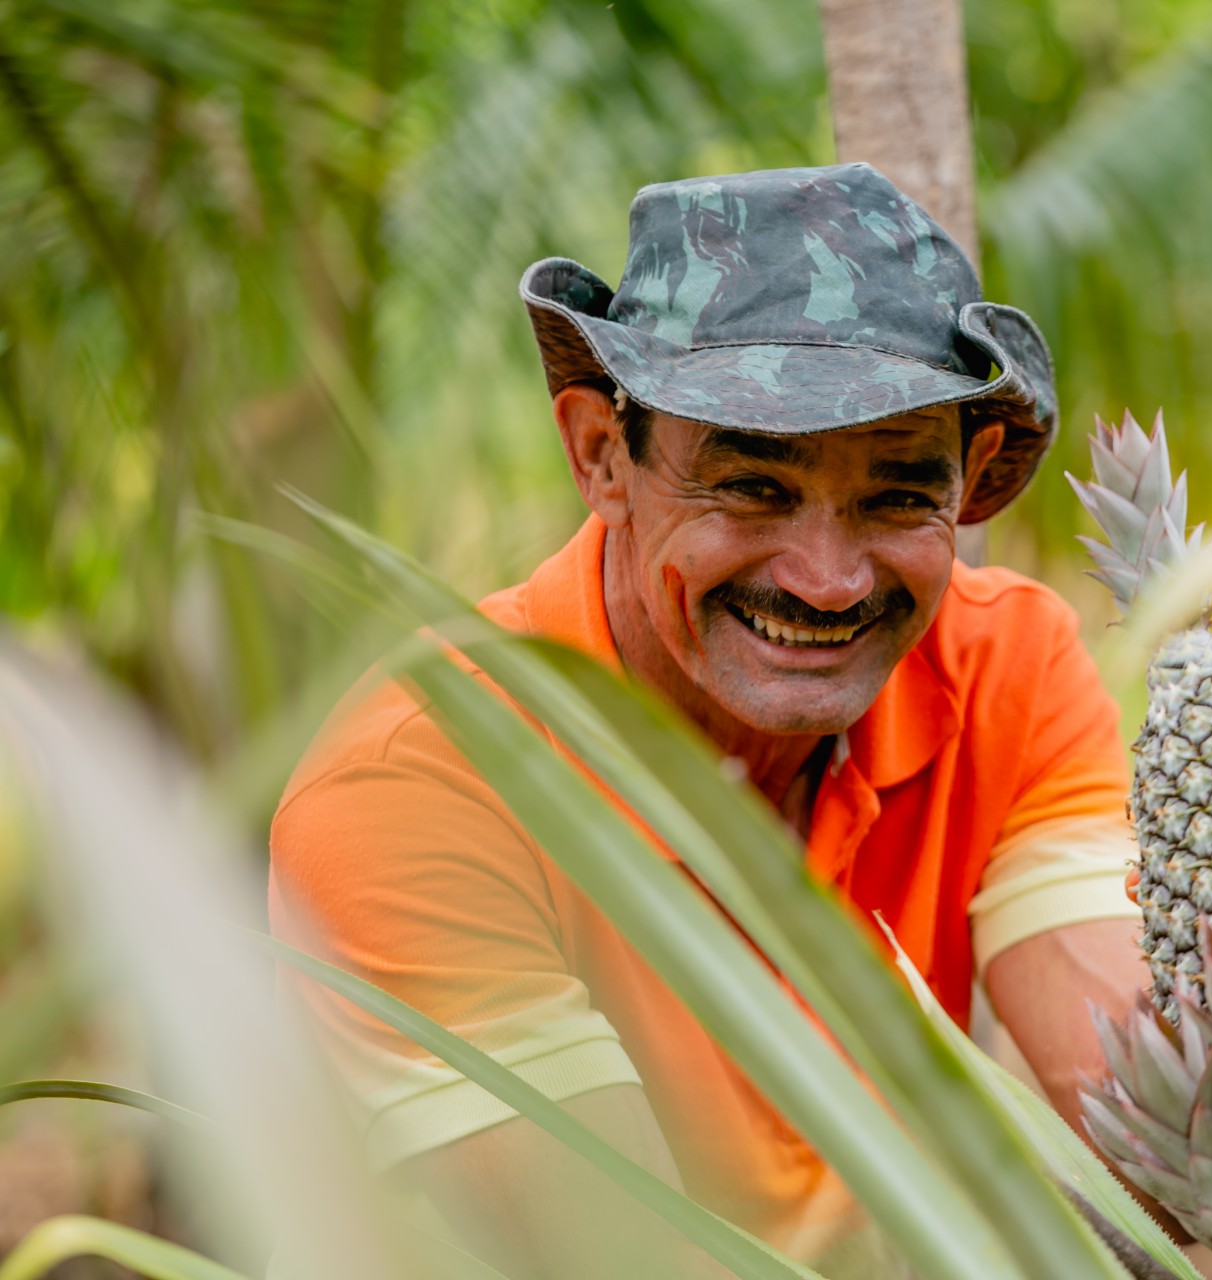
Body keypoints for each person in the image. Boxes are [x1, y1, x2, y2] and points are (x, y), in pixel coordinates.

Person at [269, 163, 1149, 1278]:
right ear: (602, 456)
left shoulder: (1007, 664)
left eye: (897, 495)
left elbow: (1152, 1133)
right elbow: (622, 1254)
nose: (828, 580)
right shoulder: (419, 781)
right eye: (751, 487)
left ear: (968, 480)